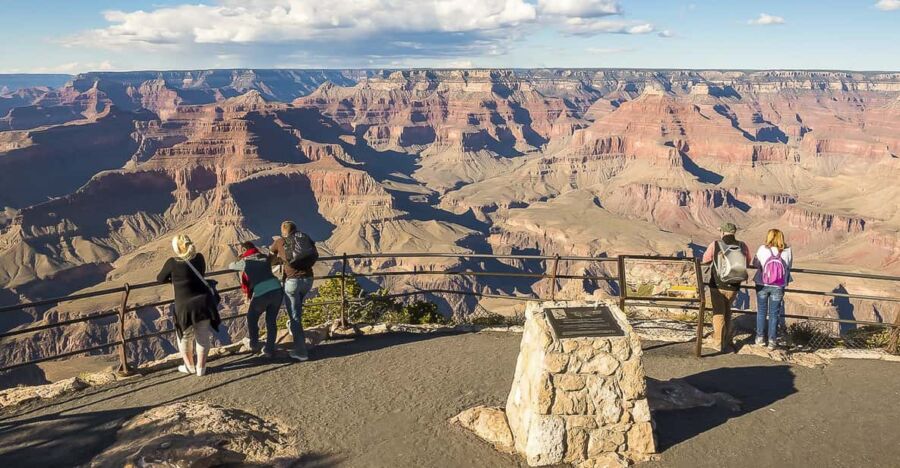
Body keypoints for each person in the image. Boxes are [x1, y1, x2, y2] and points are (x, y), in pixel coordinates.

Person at [157, 235, 219, 376]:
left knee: (184, 337)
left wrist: (174, 280)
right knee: (202, 336)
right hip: (203, 304)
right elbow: (201, 273)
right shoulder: (199, 258)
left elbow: (160, 278)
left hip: (184, 307)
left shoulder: (172, 263)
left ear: (177, 248)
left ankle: (189, 366)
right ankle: (201, 369)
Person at [701, 222, 753, 352]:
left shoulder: (715, 244)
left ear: (723, 232)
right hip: (734, 285)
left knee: (718, 313)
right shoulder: (742, 245)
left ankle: (718, 342)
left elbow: (705, 259)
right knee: (728, 311)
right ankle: (727, 339)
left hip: (717, 285)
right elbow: (747, 261)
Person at [270, 221, 317, 362]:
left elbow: (271, 256)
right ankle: (294, 328)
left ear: (283, 231)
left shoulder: (280, 241)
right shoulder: (305, 237)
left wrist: (279, 259)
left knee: (295, 317)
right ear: (296, 229)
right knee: (297, 310)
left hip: (292, 282)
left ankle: (301, 351)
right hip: (308, 280)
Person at [228, 241, 284, 358]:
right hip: (277, 290)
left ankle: (254, 344)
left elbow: (231, 266)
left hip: (262, 293)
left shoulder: (245, 262)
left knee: (251, 318)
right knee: (271, 321)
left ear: (244, 251)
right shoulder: (264, 257)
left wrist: (240, 259)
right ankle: (269, 349)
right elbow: (272, 261)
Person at [753, 229, 793, 349]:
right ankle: (772, 341)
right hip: (778, 286)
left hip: (762, 284)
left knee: (761, 312)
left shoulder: (762, 249)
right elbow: (789, 266)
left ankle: (760, 338)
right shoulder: (787, 250)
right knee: (774, 314)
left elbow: (755, 263)